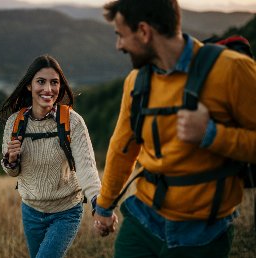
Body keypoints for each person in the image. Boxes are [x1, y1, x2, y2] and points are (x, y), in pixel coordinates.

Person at [93, 0, 256, 257]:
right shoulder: (136, 82)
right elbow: (123, 148)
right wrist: (103, 207)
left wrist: (211, 135)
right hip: (143, 221)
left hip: (203, 233)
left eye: (121, 36)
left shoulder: (233, 70)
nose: (119, 45)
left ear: (145, 32)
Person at [0, 54, 101, 258]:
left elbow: (86, 167)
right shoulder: (15, 123)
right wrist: (11, 161)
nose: (48, 89)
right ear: (29, 86)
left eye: (54, 82)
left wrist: (98, 203)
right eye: (41, 82)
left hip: (66, 212)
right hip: (31, 211)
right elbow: (12, 173)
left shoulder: (73, 122)